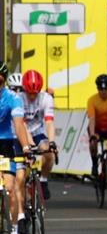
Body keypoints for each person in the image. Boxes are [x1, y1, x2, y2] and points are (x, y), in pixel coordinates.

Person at [0, 63, 32, 234]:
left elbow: (19, 125)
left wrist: (26, 148)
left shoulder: (13, 98)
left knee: (11, 190)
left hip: (5, 145)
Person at [17, 70, 56, 201]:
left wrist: (51, 142)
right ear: (24, 90)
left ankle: (43, 180)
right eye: (29, 93)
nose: (32, 96)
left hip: (37, 131)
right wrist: (31, 146)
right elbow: (21, 125)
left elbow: (49, 122)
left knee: (49, 155)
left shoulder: (46, 98)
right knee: (25, 162)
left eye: (35, 93)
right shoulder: (18, 98)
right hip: (21, 132)